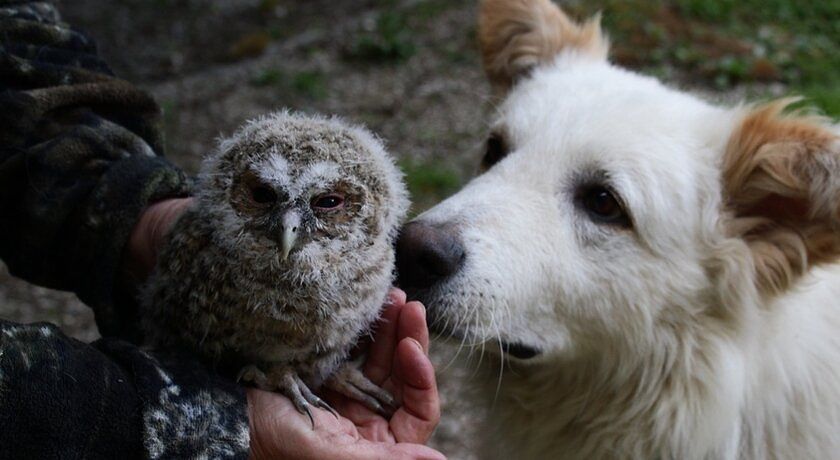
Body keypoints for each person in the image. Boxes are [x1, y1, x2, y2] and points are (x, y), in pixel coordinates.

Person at [0, 2, 442, 459]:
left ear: (371, 205)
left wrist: (130, 205)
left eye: (327, 203)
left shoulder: (372, 249)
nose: (290, 224)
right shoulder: (217, 252)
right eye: (263, 197)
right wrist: (230, 418)